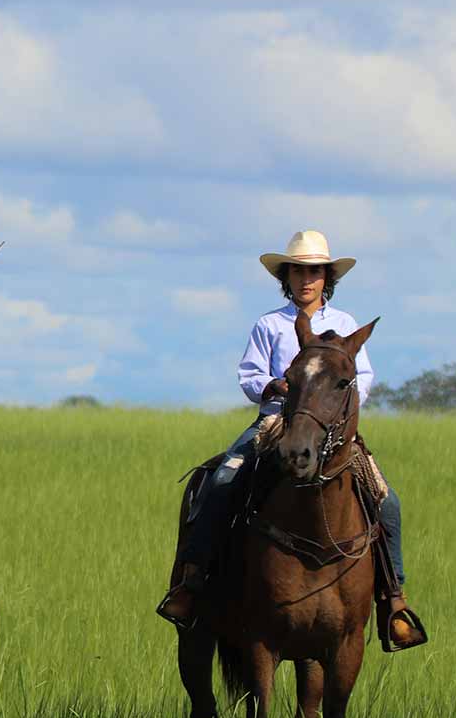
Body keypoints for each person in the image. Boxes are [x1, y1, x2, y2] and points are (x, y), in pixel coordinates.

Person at [155, 230, 426, 649]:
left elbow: (363, 378)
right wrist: (274, 387)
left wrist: (334, 409)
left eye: (314, 272)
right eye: (299, 271)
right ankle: (194, 583)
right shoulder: (269, 325)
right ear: (287, 276)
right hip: (275, 422)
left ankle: (394, 601)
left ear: (326, 278)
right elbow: (249, 375)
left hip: (331, 429)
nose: (306, 280)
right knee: (223, 481)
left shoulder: (345, 326)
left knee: (387, 500)